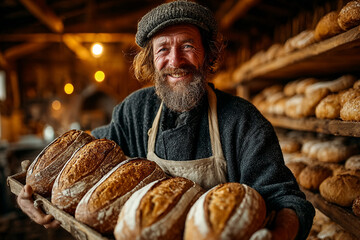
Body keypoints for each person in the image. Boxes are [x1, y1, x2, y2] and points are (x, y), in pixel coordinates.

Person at [17, 1, 315, 239]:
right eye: (163, 49)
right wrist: (30, 187)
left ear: (207, 54)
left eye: (187, 45)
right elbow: (87, 155)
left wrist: (277, 235)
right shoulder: (134, 111)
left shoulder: (242, 121)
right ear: (150, 59)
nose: (175, 61)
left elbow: (288, 201)